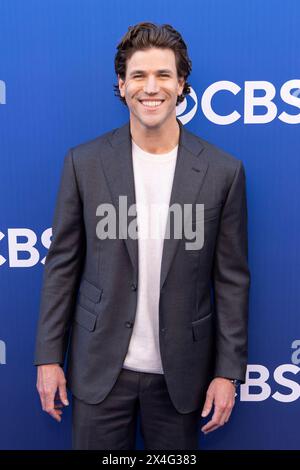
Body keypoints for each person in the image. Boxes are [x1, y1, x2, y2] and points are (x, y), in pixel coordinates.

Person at [34, 22, 250, 450]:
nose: (151, 88)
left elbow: (231, 281)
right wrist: (47, 357)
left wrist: (227, 373)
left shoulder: (224, 172)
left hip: (182, 376)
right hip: (99, 370)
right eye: (138, 76)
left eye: (163, 75)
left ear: (181, 83)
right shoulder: (85, 163)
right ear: (122, 84)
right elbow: (61, 267)